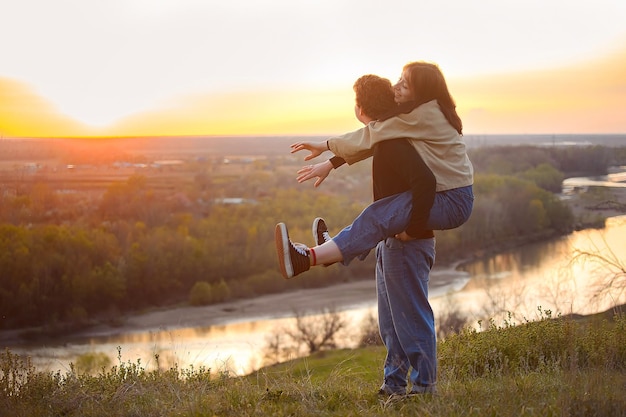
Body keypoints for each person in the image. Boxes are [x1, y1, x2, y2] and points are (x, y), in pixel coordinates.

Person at [276, 62, 474, 278]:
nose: (396, 87)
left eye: (405, 85)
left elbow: (372, 135)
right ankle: (332, 250)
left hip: (452, 200)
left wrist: (325, 146)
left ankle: (308, 258)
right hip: (449, 196)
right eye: (399, 79)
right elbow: (379, 138)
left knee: (379, 214)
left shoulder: (423, 114)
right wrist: (330, 163)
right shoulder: (419, 114)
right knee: (382, 213)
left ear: (421, 93)